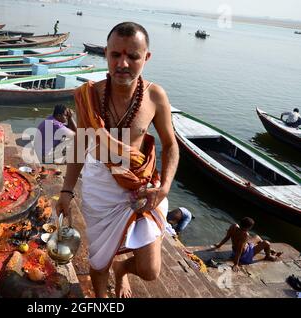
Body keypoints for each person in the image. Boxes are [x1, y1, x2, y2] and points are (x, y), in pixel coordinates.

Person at [56, 22, 179, 298]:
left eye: (133, 56)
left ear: (146, 58)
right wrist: (66, 191)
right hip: (100, 187)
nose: (123, 63)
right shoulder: (90, 95)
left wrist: (166, 187)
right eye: (116, 55)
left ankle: (123, 270)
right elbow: (80, 145)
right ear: (106, 54)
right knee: (99, 261)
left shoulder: (155, 97)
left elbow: (171, 146)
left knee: (150, 270)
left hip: (142, 188)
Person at [213, 217, 282, 272]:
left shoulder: (233, 226)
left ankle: (269, 250)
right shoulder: (245, 235)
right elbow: (239, 250)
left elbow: (227, 237)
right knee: (267, 243)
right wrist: (236, 264)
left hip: (241, 248)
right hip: (245, 255)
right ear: (249, 227)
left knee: (257, 237)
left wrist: (219, 245)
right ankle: (268, 256)